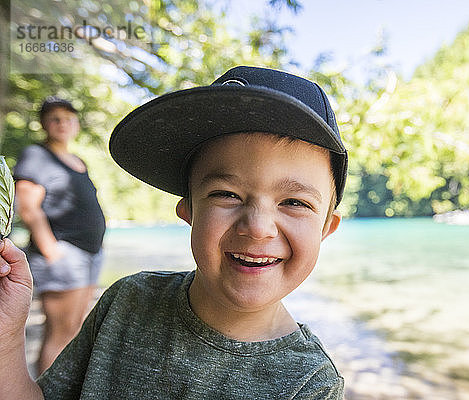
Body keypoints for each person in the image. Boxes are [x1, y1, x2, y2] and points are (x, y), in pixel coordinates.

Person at [0, 66, 347, 399]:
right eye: (227, 194)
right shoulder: (127, 301)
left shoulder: (309, 382)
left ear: (326, 228)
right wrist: (7, 336)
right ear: (189, 212)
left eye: (294, 202)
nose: (257, 228)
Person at [12, 97, 106, 374]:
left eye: (68, 117)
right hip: (64, 253)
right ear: (44, 124)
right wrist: (51, 250)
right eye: (54, 118)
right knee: (60, 333)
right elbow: (28, 208)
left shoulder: (78, 160)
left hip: (90, 253)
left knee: (75, 330)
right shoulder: (36, 155)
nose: (62, 123)